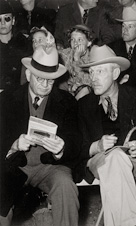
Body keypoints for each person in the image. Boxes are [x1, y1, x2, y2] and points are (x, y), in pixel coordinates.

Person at [74, 45, 136, 226]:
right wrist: (97, 145)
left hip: (132, 162)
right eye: (91, 72)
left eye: (100, 72)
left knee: (117, 160)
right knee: (114, 158)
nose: (94, 78)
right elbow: (76, 147)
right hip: (98, 161)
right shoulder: (84, 105)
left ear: (114, 74)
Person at [0, 46, 81, 226]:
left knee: (65, 186)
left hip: (49, 167)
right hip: (15, 164)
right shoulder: (6, 99)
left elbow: (76, 140)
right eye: (40, 79)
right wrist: (13, 145)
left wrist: (62, 149)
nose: (45, 85)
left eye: (50, 81)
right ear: (28, 75)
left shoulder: (67, 101)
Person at [58, 24, 95, 100]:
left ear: (89, 43)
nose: (75, 43)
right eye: (72, 40)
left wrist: (77, 59)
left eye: (80, 40)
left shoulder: (93, 58)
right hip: (66, 92)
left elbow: (88, 83)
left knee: (86, 89)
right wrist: (70, 87)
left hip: (85, 97)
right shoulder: (65, 54)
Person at [0, 1, 29, 90]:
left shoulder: (24, 43)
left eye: (7, 18)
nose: (3, 23)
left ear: (13, 20)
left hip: (18, 96)